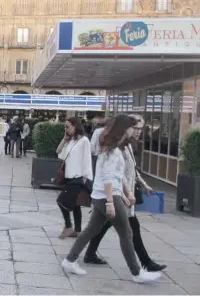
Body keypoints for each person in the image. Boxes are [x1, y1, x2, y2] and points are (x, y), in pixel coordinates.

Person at [61, 114, 162, 284]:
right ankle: (137, 273)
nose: (134, 130)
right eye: (132, 127)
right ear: (123, 128)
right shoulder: (113, 150)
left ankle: (69, 260)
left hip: (103, 195)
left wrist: (126, 193)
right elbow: (108, 177)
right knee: (126, 233)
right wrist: (111, 201)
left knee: (90, 231)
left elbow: (116, 176)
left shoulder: (112, 147)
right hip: (107, 197)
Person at [56, 117, 93, 239]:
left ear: (75, 126)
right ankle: (77, 230)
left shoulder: (84, 141)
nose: (66, 129)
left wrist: (86, 179)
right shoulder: (70, 141)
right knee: (76, 204)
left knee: (61, 201)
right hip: (68, 176)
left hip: (78, 177)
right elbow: (59, 153)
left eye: (68, 126)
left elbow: (87, 160)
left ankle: (68, 226)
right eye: (65, 127)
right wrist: (64, 140)